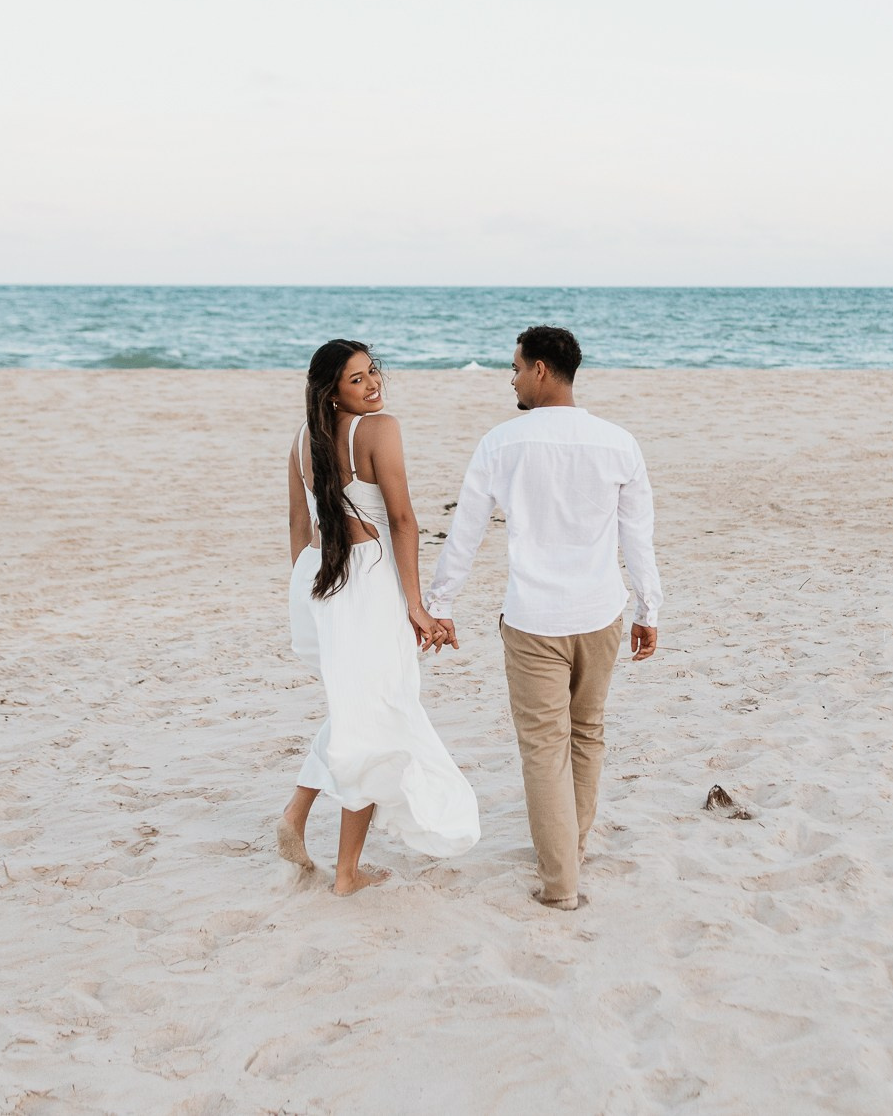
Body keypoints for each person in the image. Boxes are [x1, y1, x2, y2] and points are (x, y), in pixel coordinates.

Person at [426, 326, 661, 911]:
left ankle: (560, 883)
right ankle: (569, 849)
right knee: (587, 734)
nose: (510, 378)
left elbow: (466, 534)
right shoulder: (618, 443)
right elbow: (639, 538)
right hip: (602, 613)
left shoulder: (501, 444)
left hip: (534, 619)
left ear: (539, 370)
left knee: (543, 746)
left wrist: (441, 605)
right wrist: (648, 607)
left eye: (513, 368)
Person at [280, 339, 480, 896]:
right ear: (331, 391)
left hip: (322, 582)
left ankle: (297, 816)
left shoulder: (300, 441)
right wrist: (417, 604)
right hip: (367, 582)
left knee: (358, 708)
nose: (373, 385)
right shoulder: (379, 429)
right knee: (375, 717)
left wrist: (306, 593)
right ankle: (346, 875)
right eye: (356, 379)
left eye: (373, 373)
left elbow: (299, 531)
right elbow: (402, 519)